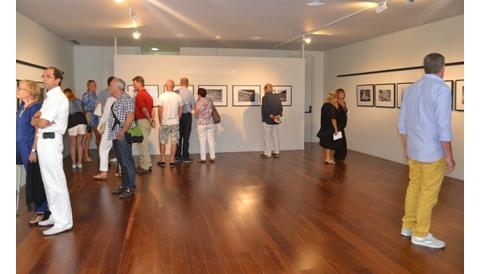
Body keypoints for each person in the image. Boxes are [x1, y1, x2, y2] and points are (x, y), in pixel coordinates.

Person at [398, 53, 455, 249]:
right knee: (428, 193)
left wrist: (406, 147)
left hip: (414, 150)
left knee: (414, 188)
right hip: (432, 152)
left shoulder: (412, 89)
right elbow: (443, 126)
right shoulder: (441, 89)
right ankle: (421, 233)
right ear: (442, 68)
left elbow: (402, 124)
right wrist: (449, 154)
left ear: (425, 67)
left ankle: (407, 226)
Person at [30, 67, 73, 236]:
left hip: (50, 140)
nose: (44, 78)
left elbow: (41, 122)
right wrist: (37, 119)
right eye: (44, 75)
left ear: (57, 80)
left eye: (48, 76)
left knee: (56, 182)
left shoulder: (56, 98)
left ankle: (64, 221)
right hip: (44, 141)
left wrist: (36, 120)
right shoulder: (49, 97)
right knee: (49, 182)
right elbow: (39, 119)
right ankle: (56, 215)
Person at [16, 80, 49, 225]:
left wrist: (33, 150)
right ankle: (42, 207)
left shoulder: (36, 107)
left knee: (36, 180)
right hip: (21, 147)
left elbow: (38, 130)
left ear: (29, 92)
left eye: (20, 88)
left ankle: (42, 211)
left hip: (30, 147)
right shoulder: (22, 106)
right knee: (32, 179)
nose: (17, 89)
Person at [107, 77, 136, 198]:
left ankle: (130, 187)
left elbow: (130, 117)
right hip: (117, 135)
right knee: (121, 162)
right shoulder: (118, 100)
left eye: (111, 85)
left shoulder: (127, 99)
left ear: (117, 87)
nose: (109, 88)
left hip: (122, 135)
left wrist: (122, 132)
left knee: (126, 161)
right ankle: (124, 185)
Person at [93, 80, 117, 180]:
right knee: (121, 150)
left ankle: (103, 173)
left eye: (110, 87)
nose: (109, 89)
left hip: (110, 128)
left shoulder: (110, 99)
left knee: (103, 148)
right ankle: (121, 171)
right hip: (121, 128)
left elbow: (105, 115)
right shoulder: (125, 97)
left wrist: (99, 127)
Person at [157, 79, 183, 168]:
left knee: (162, 141)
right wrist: (178, 119)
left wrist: (161, 121)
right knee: (174, 142)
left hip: (164, 122)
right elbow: (181, 110)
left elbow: (160, 110)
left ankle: (163, 160)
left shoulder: (162, 96)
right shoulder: (178, 96)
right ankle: (172, 161)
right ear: (173, 86)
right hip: (175, 122)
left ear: (166, 86)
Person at [132, 76, 155, 173]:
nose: (134, 85)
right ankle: (147, 164)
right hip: (145, 121)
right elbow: (152, 110)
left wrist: (150, 119)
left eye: (134, 83)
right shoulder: (148, 95)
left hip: (142, 121)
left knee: (142, 144)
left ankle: (145, 166)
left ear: (139, 83)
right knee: (143, 144)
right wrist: (152, 120)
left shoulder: (140, 95)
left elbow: (144, 109)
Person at [63, 88, 87, 169]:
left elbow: (66, 113)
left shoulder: (65, 102)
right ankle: (79, 163)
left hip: (72, 122)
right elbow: (83, 111)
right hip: (81, 121)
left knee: (73, 144)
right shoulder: (78, 100)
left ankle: (73, 163)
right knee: (80, 143)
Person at [175, 77, 195, 163]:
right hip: (187, 116)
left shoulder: (175, 92)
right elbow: (193, 105)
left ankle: (177, 156)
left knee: (178, 137)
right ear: (187, 83)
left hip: (177, 116)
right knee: (186, 137)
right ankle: (185, 157)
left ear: (180, 83)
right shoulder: (190, 93)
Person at [260, 83, 283, 159]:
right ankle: (276, 153)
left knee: (267, 137)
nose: (264, 91)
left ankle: (267, 153)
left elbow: (265, 109)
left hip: (267, 120)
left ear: (266, 89)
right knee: (275, 136)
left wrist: (272, 116)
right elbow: (281, 108)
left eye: (264, 89)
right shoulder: (277, 97)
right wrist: (278, 116)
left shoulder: (265, 98)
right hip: (276, 121)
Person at [194, 88, 215, 163]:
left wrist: (196, 114)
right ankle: (212, 157)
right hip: (210, 123)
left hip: (202, 124)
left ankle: (203, 158)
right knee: (211, 140)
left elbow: (196, 115)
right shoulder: (209, 100)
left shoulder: (199, 102)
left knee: (202, 141)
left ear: (199, 94)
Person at [82, 80, 101, 162]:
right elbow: (85, 108)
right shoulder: (86, 95)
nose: (94, 87)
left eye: (94, 85)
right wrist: (95, 106)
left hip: (96, 118)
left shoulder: (95, 95)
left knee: (98, 136)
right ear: (88, 86)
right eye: (92, 85)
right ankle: (85, 156)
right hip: (89, 119)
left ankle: (100, 153)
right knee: (88, 138)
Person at [318, 91, 339, 165]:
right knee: (330, 144)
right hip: (330, 128)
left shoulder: (324, 105)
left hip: (324, 127)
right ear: (333, 98)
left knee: (327, 144)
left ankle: (328, 158)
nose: (337, 100)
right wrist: (336, 130)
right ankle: (327, 158)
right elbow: (333, 119)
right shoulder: (332, 107)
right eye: (336, 98)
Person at [334, 88, 348, 161]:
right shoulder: (335, 102)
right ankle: (337, 156)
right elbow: (335, 113)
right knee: (339, 141)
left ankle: (342, 156)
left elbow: (346, 111)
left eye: (343, 93)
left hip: (342, 124)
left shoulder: (344, 102)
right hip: (337, 124)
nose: (342, 95)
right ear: (337, 94)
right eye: (340, 93)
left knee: (343, 141)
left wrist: (344, 107)